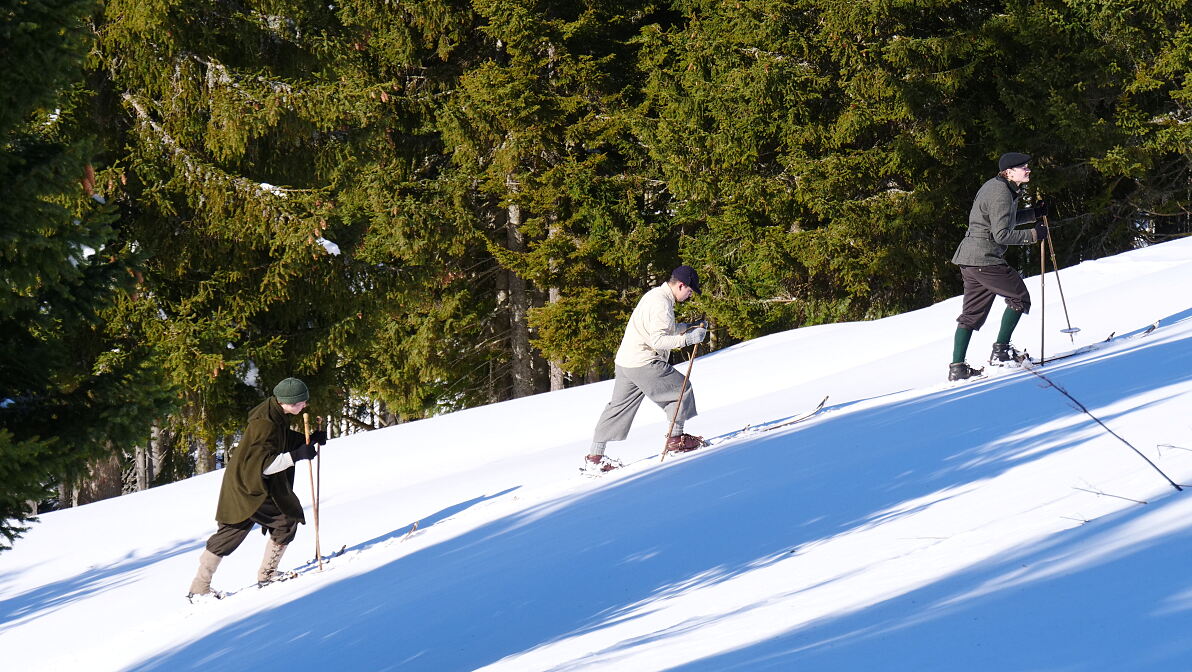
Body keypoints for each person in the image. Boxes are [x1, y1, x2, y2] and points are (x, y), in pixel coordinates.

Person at [186, 377, 327, 600]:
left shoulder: (274, 414)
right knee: (285, 519)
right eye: (301, 402)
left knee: (231, 532)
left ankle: (199, 588)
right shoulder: (265, 423)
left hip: (245, 483)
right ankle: (267, 575)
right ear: (288, 402)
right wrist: (297, 455)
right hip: (251, 487)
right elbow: (265, 464)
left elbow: (281, 439)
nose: (305, 405)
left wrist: (306, 440)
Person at [584, 265, 708, 473]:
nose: (690, 295)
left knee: (617, 408)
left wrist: (687, 326)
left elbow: (660, 329)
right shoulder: (662, 304)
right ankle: (676, 441)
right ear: (681, 285)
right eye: (690, 290)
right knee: (681, 389)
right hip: (644, 361)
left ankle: (594, 458)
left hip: (626, 362)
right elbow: (658, 340)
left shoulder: (656, 296)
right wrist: (687, 339)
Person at [948, 152, 1049, 381]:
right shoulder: (1001, 192)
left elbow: (1003, 220)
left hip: (971, 259)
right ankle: (1001, 353)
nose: (1028, 170)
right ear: (1009, 172)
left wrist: (1034, 213)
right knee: (1019, 298)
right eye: (1023, 167)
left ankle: (958, 368)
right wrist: (1034, 234)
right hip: (985, 258)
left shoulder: (1001, 187)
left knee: (971, 315)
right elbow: (1001, 234)